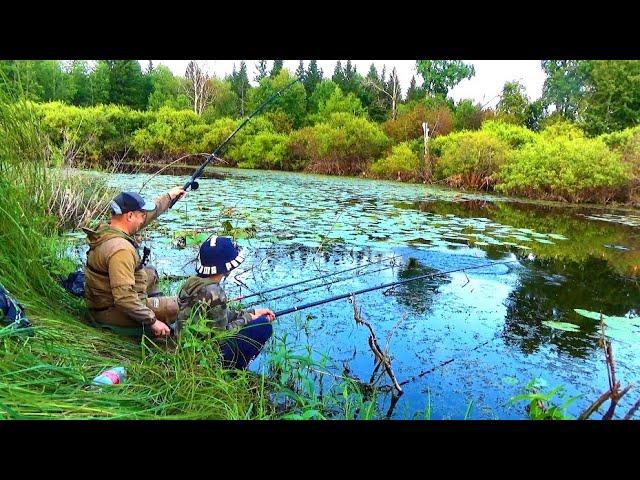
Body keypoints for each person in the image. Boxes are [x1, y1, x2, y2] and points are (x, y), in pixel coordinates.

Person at [82, 188, 186, 337]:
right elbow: (124, 299)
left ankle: (154, 304)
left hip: (102, 299)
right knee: (180, 305)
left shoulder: (107, 230)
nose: (144, 219)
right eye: (141, 215)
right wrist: (152, 321)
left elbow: (149, 215)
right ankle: (168, 328)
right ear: (130, 216)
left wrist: (169, 197)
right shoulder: (121, 250)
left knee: (150, 272)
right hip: (111, 311)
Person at [176, 235, 275, 369]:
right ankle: (231, 370)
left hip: (185, 348)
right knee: (263, 326)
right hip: (203, 357)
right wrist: (248, 319)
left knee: (255, 320)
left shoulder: (192, 282)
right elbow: (222, 335)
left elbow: (216, 319)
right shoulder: (215, 292)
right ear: (227, 269)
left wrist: (252, 312)